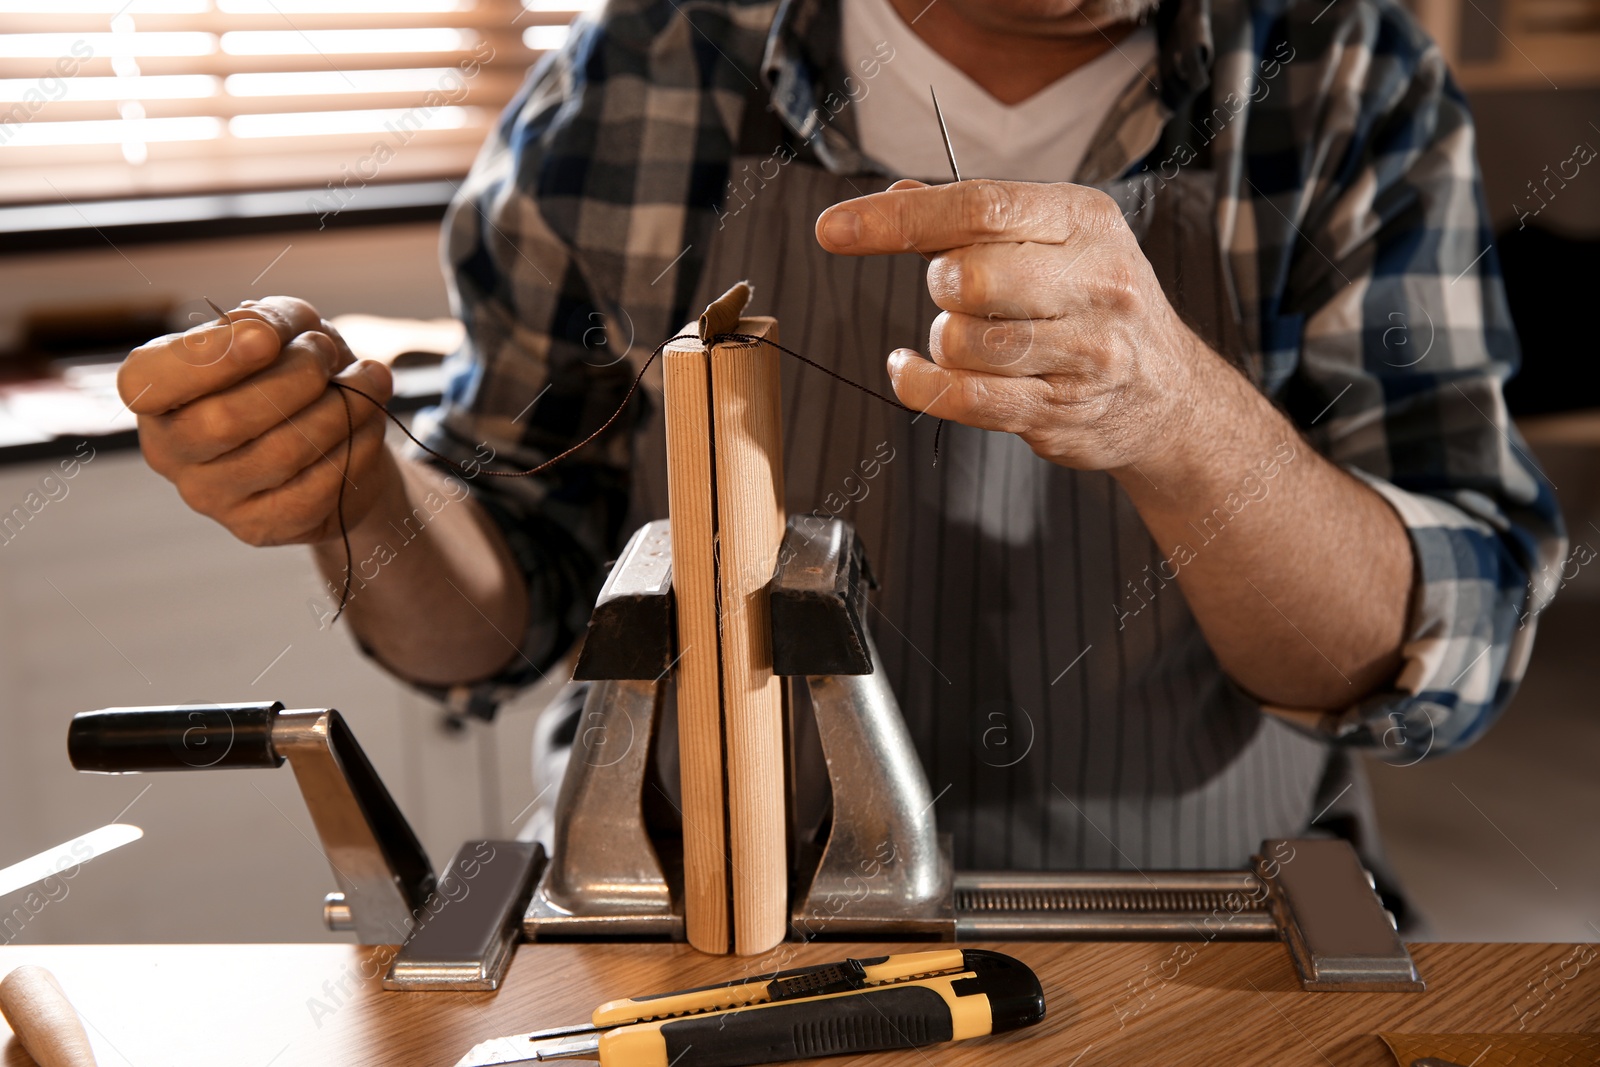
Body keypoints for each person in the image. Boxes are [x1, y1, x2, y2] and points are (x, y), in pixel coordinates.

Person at [118, 0, 1564, 903]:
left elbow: (1435, 655)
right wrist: (360, 497)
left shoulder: (1343, 71)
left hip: (1198, 920)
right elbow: (507, 620)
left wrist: (1184, 418)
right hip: (694, 927)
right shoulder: (644, 69)